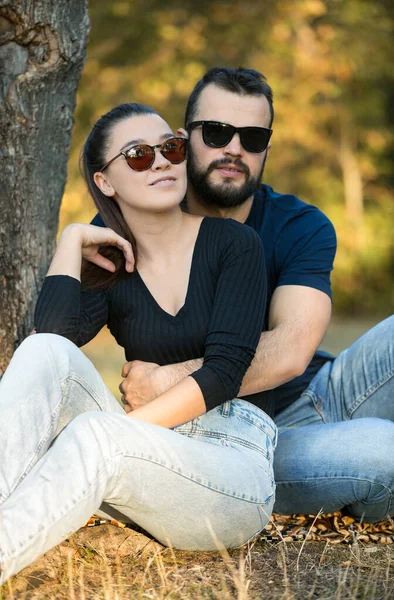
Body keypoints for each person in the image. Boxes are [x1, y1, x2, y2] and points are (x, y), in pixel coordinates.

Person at [0, 103, 278, 584]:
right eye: (137, 156)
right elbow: (52, 343)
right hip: (140, 460)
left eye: (169, 148)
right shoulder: (112, 263)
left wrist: (120, 436)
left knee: (96, 435)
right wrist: (70, 240)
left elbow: (226, 371)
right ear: (105, 182)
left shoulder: (234, 244)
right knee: (43, 353)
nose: (162, 162)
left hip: (229, 462)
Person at [111, 67, 394, 523]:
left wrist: (172, 380)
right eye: (218, 132)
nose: (234, 149)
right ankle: (350, 474)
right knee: (385, 451)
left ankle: (350, 472)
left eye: (252, 137)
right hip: (228, 437)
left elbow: (290, 351)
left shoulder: (300, 224)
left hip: (321, 393)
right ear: (183, 141)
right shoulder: (135, 220)